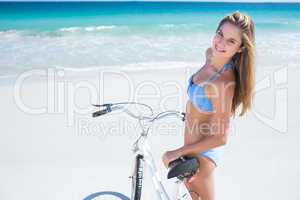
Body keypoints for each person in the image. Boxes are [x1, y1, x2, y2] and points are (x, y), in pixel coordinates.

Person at [162, 11, 256, 200]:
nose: (220, 43)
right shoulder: (210, 56)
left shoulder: (222, 82)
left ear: (240, 48)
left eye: (231, 41)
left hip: (202, 156)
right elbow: (202, 105)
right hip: (192, 147)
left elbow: (221, 137)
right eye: (220, 34)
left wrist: (178, 152)